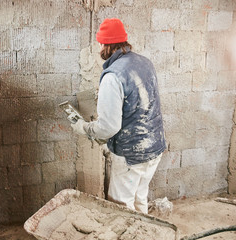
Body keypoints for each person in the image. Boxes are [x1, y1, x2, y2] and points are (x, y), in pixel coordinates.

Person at [71, 18, 166, 214]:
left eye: (100, 43)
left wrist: (82, 127)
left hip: (132, 156)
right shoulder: (144, 62)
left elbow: (109, 127)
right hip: (154, 147)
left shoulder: (112, 76)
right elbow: (139, 100)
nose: (99, 47)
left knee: (121, 207)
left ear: (105, 45)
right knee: (140, 199)